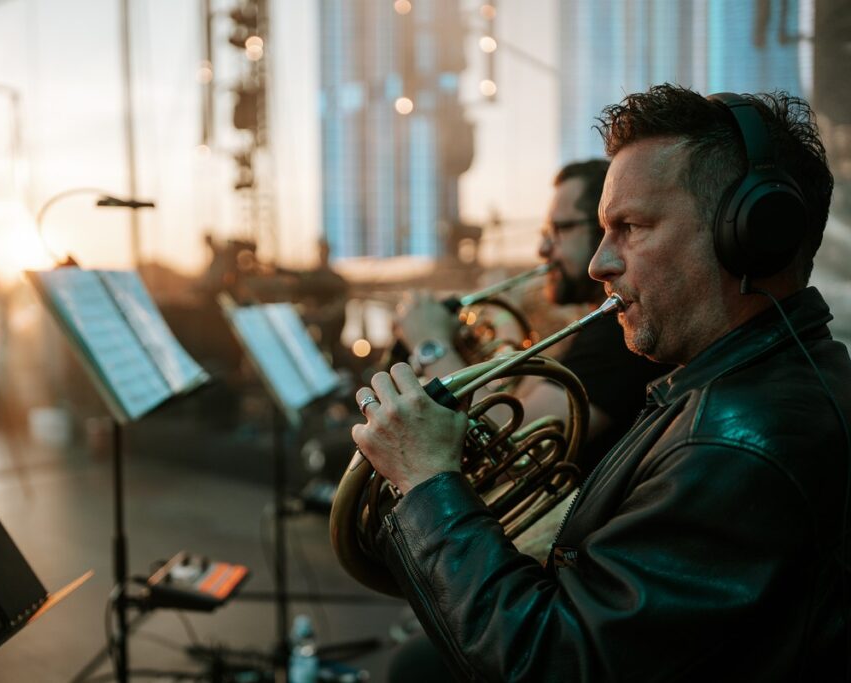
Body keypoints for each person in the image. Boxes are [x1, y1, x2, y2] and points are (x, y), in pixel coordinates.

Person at [352, 84, 849, 681]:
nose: (598, 264)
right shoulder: (738, 389)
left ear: (748, 233)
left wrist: (429, 480)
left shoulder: (736, 440)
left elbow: (555, 662)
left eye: (631, 227)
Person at [395, 159, 670, 477]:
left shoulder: (620, 332)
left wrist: (431, 343)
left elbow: (517, 441)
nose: (542, 248)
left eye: (560, 230)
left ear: (602, 228)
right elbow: (516, 400)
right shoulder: (601, 326)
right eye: (544, 233)